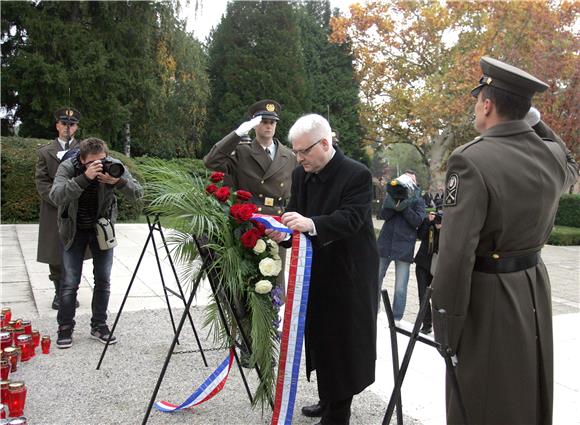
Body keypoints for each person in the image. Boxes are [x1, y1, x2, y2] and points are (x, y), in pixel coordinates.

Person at [431, 56, 578, 424]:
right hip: (533, 287)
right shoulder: (551, 156)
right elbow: (569, 157)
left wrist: (447, 330)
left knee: (480, 400)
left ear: (487, 104)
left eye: (477, 98)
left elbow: (455, 255)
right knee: (526, 390)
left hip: (488, 297)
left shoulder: (470, 161)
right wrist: (535, 120)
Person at [267, 114, 378, 425]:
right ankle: (327, 397)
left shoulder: (356, 174)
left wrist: (311, 224)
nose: (298, 158)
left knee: (343, 340)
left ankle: (338, 412)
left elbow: (351, 219)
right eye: (296, 151)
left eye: (303, 151)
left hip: (349, 272)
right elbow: (295, 212)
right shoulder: (303, 174)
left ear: (325, 143)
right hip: (314, 268)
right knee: (319, 335)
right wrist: (284, 230)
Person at [50, 138, 143, 349]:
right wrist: (84, 178)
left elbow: (138, 193)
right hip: (73, 230)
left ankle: (99, 325)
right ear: (81, 159)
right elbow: (56, 196)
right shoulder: (68, 166)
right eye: (92, 162)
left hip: (101, 229)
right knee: (69, 282)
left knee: (103, 279)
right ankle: (65, 327)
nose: (99, 165)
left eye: (102, 160)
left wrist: (117, 182)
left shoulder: (113, 165)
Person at [203, 99, 297, 216]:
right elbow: (211, 161)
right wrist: (237, 134)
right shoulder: (242, 152)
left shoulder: (289, 156)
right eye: (264, 122)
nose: (268, 126)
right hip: (249, 216)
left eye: (272, 122)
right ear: (254, 125)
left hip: (279, 218)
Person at [35, 108, 83, 310]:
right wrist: (58, 198)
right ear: (57, 125)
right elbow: (42, 182)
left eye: (71, 124)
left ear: (76, 127)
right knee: (55, 251)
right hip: (54, 209)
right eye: (64, 123)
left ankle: (72, 291)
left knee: (76, 250)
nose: (67, 128)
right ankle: (58, 292)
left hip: (78, 208)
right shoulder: (45, 152)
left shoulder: (84, 150)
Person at [377, 170, 425, 323]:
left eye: (412, 180)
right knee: (375, 280)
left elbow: (417, 221)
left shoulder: (418, 200)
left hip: (404, 247)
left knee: (400, 287)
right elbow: (383, 215)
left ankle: (397, 318)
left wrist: (404, 207)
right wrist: (394, 203)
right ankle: (374, 310)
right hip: (385, 245)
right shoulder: (391, 196)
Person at [413, 209, 442, 334]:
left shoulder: (450, 226)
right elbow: (420, 236)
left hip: (438, 266)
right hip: (423, 263)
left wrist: (442, 229)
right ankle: (426, 324)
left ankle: (441, 327)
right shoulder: (428, 221)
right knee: (423, 294)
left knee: (439, 297)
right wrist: (428, 223)